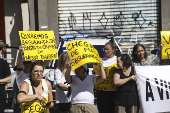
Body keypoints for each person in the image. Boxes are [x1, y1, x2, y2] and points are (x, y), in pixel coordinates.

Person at [96, 40, 118, 113]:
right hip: (102, 92)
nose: (105, 51)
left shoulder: (117, 60)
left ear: (113, 49)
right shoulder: (101, 60)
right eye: (104, 49)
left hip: (113, 92)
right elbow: (97, 74)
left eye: (107, 49)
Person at [0, 40, 12, 113]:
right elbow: (9, 79)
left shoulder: (3, 62)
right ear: (3, 48)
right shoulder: (3, 63)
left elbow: (8, 79)